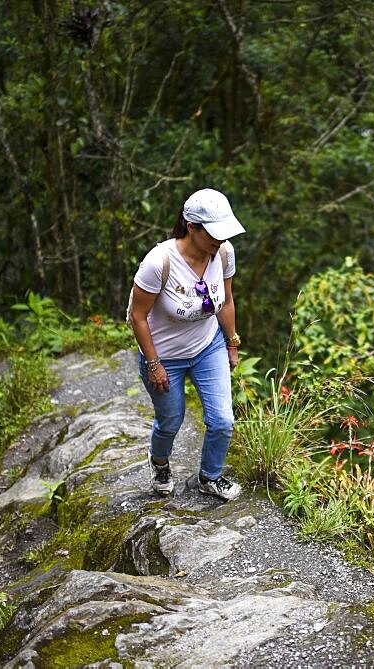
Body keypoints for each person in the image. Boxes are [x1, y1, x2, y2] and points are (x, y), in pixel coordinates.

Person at [129, 188, 245, 501]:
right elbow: (136, 316)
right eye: (213, 234)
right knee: (171, 420)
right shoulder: (159, 262)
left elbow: (227, 300)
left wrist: (231, 343)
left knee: (222, 420)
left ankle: (210, 476)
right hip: (165, 356)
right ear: (191, 227)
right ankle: (160, 461)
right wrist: (154, 364)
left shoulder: (223, 253)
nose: (219, 241)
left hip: (208, 346)